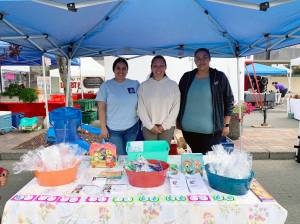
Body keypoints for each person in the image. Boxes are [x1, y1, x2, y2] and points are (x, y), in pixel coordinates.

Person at [177, 48, 234, 154]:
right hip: (188, 130)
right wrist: (177, 121)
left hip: (212, 133)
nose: (201, 60)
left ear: (210, 59)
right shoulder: (187, 77)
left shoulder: (219, 77)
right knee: (196, 159)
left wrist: (226, 125)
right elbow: (177, 100)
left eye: (204, 57)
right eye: (198, 58)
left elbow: (229, 100)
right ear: (194, 61)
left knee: (208, 160)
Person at [96, 57, 140, 155]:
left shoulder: (135, 84)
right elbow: (101, 108)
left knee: (131, 156)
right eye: (118, 68)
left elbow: (144, 102)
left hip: (132, 127)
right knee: (120, 157)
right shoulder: (106, 86)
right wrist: (103, 128)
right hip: (113, 129)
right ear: (114, 70)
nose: (121, 71)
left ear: (127, 70)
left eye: (124, 68)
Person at [138, 55, 180, 143]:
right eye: (155, 66)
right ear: (151, 67)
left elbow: (175, 108)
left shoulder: (173, 85)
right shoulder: (144, 86)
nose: (158, 68)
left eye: (161, 66)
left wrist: (164, 126)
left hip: (167, 128)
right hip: (148, 127)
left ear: (165, 67)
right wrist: (150, 126)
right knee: (151, 155)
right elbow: (141, 109)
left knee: (163, 155)